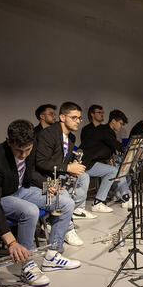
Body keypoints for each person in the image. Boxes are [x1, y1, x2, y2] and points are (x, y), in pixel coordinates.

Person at [0, 119, 80, 287]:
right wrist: (11, 242)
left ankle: (52, 256)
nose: (24, 155)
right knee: (31, 211)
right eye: (19, 151)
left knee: (65, 202)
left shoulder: (30, 147)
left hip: (19, 190)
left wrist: (47, 186)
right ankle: (27, 265)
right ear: (9, 141)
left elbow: (30, 173)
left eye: (28, 150)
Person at [34, 101, 89, 246]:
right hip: (41, 178)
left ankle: (56, 219)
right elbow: (41, 163)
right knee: (66, 199)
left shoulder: (71, 137)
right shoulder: (48, 135)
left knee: (84, 177)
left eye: (79, 118)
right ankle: (67, 229)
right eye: (74, 118)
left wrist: (70, 170)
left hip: (56, 175)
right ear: (62, 117)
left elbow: (62, 160)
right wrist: (67, 168)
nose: (78, 121)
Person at [80, 109, 131, 212]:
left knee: (117, 168)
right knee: (114, 170)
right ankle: (98, 202)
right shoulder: (105, 131)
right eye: (120, 123)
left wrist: (108, 158)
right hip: (85, 163)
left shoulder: (106, 130)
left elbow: (102, 148)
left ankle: (126, 198)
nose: (121, 126)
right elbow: (117, 146)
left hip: (93, 162)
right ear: (113, 121)